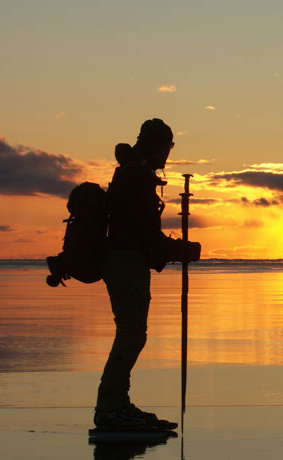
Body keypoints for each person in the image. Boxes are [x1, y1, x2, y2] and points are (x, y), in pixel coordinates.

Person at [94, 118, 180, 431]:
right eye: (168, 146)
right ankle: (110, 408)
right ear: (158, 147)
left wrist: (167, 250)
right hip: (126, 263)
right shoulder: (137, 177)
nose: (168, 153)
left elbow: (142, 231)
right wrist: (178, 250)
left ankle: (117, 403)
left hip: (127, 262)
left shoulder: (133, 174)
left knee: (132, 333)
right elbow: (143, 232)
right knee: (131, 333)